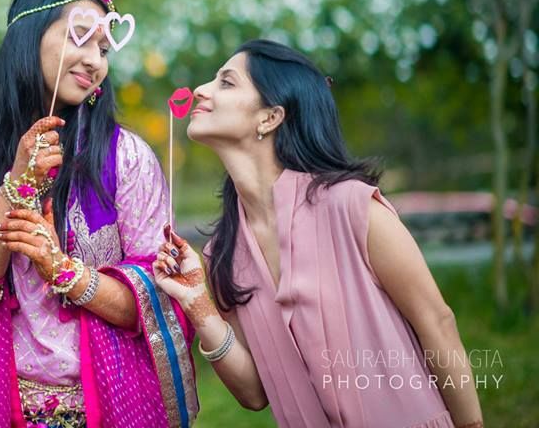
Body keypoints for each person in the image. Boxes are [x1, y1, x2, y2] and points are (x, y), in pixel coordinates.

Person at [154, 39, 484, 428]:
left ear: (270, 117)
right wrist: (198, 304)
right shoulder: (222, 253)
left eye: (226, 82)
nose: (199, 91)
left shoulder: (354, 207)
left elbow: (437, 322)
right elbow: (254, 393)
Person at [0, 0, 198, 428]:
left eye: (105, 49)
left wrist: (62, 269)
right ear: (27, 38)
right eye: (81, 36)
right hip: (3, 402)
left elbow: (156, 303)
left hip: (111, 403)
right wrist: (19, 183)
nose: (95, 61)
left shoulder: (126, 157)